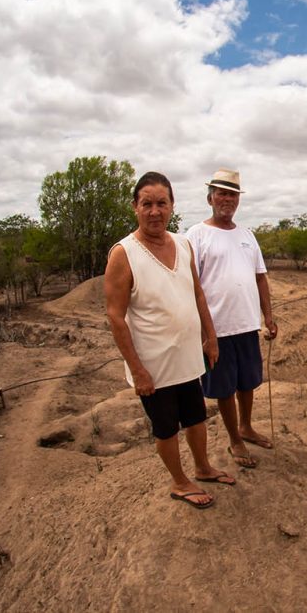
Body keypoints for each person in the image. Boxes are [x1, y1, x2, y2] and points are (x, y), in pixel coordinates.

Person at [104, 172, 235, 510]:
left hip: (187, 359)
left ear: (172, 206)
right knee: (166, 428)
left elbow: (197, 293)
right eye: (146, 203)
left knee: (195, 417)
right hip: (154, 366)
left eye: (161, 203)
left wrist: (211, 337)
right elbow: (115, 316)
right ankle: (179, 482)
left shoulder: (183, 244)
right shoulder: (124, 253)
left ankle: (202, 467)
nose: (154, 211)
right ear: (135, 206)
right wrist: (138, 370)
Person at [186, 169, 278, 469]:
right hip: (216, 329)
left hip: (247, 325)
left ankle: (246, 426)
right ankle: (234, 440)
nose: (227, 199)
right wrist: (204, 332)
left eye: (233, 194)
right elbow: (192, 285)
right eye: (221, 193)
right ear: (210, 197)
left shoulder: (247, 235)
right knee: (224, 387)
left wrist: (269, 316)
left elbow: (260, 278)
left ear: (238, 200)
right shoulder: (196, 234)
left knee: (247, 381)